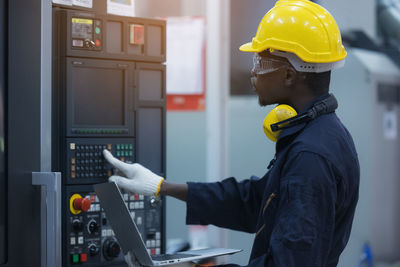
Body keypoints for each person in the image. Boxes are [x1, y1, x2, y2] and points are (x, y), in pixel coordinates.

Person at [103, 0, 360, 266]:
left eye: (260, 61)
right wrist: (160, 186)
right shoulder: (324, 134)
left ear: (288, 75)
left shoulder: (310, 157)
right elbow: (254, 201)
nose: (253, 71)